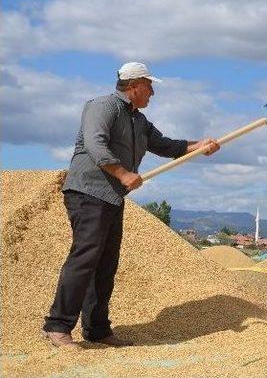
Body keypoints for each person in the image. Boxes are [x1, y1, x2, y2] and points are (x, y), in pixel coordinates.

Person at [42, 62, 220, 349]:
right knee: (84, 258)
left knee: (106, 265)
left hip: (112, 197)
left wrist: (199, 145)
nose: (152, 93)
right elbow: (95, 144)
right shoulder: (103, 106)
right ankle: (57, 326)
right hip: (88, 193)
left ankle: (97, 330)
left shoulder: (139, 121)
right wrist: (124, 173)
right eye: (150, 86)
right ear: (135, 85)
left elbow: (166, 145)